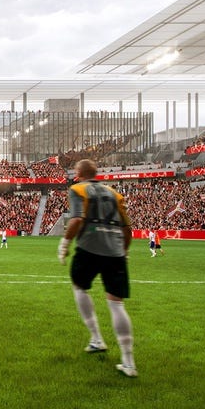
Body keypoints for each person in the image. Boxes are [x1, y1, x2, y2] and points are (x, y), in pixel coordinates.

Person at [58, 159, 137, 378]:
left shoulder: (77, 189)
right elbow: (127, 228)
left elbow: (76, 220)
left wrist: (64, 245)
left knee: (78, 287)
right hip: (115, 249)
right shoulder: (113, 193)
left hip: (89, 246)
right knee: (116, 303)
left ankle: (96, 338)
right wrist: (125, 251)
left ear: (79, 173)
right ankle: (129, 362)